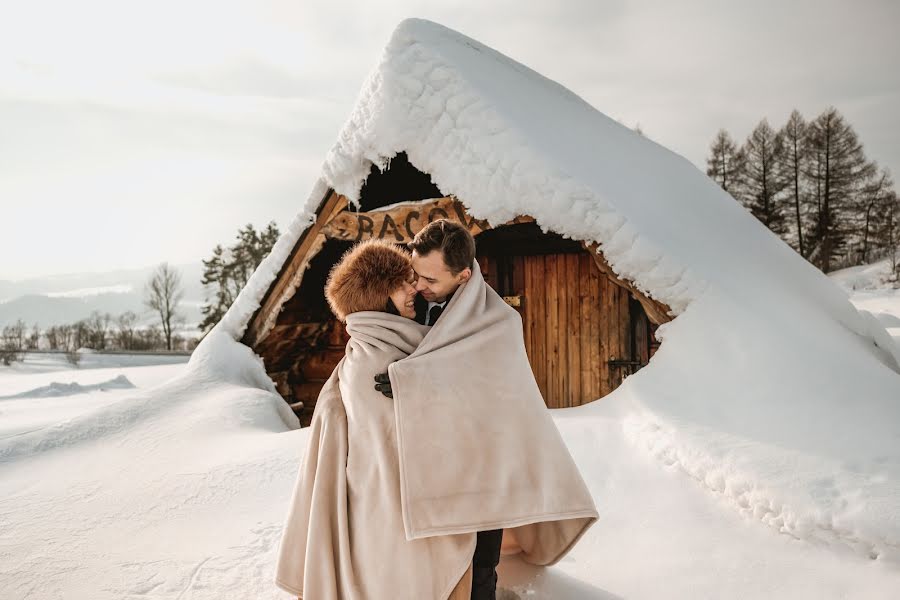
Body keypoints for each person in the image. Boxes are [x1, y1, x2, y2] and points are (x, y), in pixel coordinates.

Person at [274, 238, 478, 599]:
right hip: (395, 525)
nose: (414, 287)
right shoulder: (376, 361)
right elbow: (407, 450)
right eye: (401, 284)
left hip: (392, 523)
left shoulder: (386, 349)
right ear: (377, 296)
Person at [373, 219, 504, 600]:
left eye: (431, 279)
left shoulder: (495, 321)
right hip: (427, 462)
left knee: (480, 565)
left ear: (464, 276)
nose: (419, 286)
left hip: (479, 463)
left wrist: (416, 385)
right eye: (416, 273)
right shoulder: (412, 303)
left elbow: (491, 393)